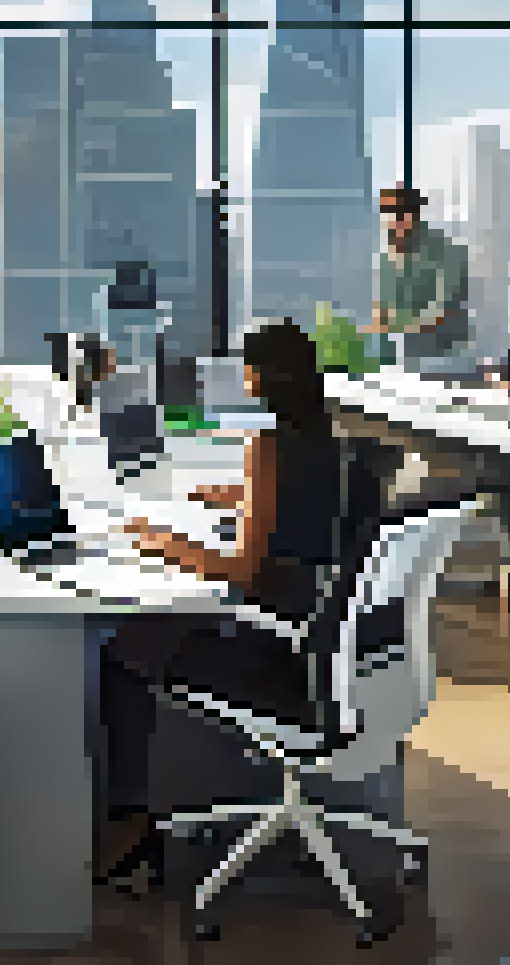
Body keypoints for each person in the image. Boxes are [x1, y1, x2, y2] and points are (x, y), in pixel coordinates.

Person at [95, 322, 347, 884]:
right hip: (317, 624)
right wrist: (239, 496)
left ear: (261, 376)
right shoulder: (324, 436)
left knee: (124, 653)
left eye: (247, 366)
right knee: (157, 634)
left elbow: (243, 570)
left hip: (274, 642)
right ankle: (153, 809)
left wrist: (170, 544)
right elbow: (300, 506)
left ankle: (134, 828)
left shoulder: (267, 445)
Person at [364, 187, 469, 366]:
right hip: (404, 357)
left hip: (447, 357)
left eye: (399, 215)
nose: (392, 222)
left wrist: (387, 323)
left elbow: (438, 313)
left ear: (414, 215)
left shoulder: (446, 250)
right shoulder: (388, 256)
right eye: (387, 216)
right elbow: (382, 308)